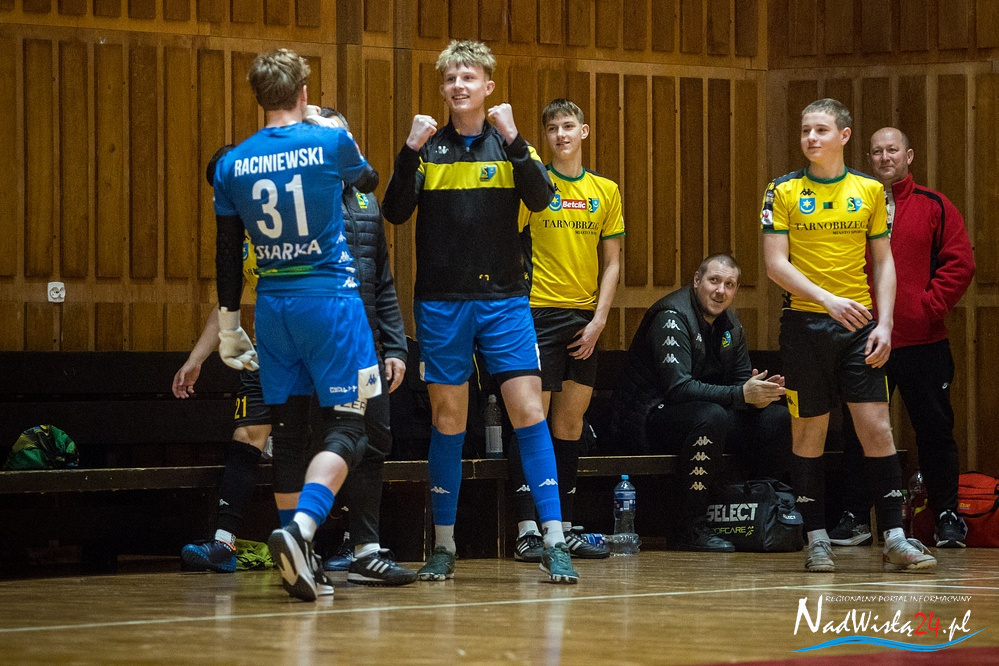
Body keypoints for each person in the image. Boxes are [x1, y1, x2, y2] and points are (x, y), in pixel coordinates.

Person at [382, 40, 579, 583]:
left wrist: (515, 139)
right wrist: (408, 148)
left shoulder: (511, 145)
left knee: (529, 413)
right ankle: (443, 546)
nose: (459, 86)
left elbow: (541, 199)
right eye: (450, 79)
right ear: (443, 88)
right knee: (449, 420)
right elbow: (394, 211)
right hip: (441, 304)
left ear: (488, 86)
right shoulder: (428, 149)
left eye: (468, 77)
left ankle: (554, 540)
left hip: (505, 302)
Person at [213, 48, 387, 602]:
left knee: (288, 430)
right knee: (351, 426)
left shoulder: (231, 163)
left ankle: (302, 564)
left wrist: (228, 325)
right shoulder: (329, 142)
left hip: (272, 308)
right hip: (330, 302)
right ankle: (302, 529)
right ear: (304, 93)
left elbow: (226, 252)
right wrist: (330, 131)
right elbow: (369, 180)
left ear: (258, 96)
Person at [761, 98, 936, 573]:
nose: (810, 138)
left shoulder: (869, 190)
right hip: (804, 326)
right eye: (805, 130)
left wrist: (885, 323)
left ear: (844, 135)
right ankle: (817, 538)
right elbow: (775, 264)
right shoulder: (782, 189)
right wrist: (827, 300)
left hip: (859, 326)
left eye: (821, 130)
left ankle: (895, 537)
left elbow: (884, 261)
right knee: (809, 429)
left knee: (876, 427)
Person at [828, 127, 975, 549]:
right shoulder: (853, 205)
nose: (885, 157)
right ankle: (857, 517)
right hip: (865, 340)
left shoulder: (934, 204)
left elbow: (960, 263)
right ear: (869, 158)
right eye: (877, 152)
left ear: (908, 156)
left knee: (935, 431)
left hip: (923, 342)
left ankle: (946, 516)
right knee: (861, 433)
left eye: (892, 150)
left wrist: (925, 309)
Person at [506, 98, 623, 561]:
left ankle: (566, 527)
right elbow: (507, 243)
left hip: (584, 321)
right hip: (536, 315)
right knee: (531, 420)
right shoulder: (535, 188)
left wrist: (599, 320)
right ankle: (527, 529)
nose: (561, 135)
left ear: (584, 131)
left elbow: (612, 263)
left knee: (570, 425)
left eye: (569, 126)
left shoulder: (605, 191)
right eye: (552, 128)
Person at [611, 254, 791, 551]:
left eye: (729, 284)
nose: (721, 291)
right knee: (710, 417)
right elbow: (677, 388)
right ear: (697, 280)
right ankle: (688, 526)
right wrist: (741, 395)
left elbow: (740, 382)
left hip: (702, 414)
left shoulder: (731, 324)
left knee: (775, 418)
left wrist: (758, 395)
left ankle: (764, 514)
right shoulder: (671, 316)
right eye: (714, 281)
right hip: (648, 418)